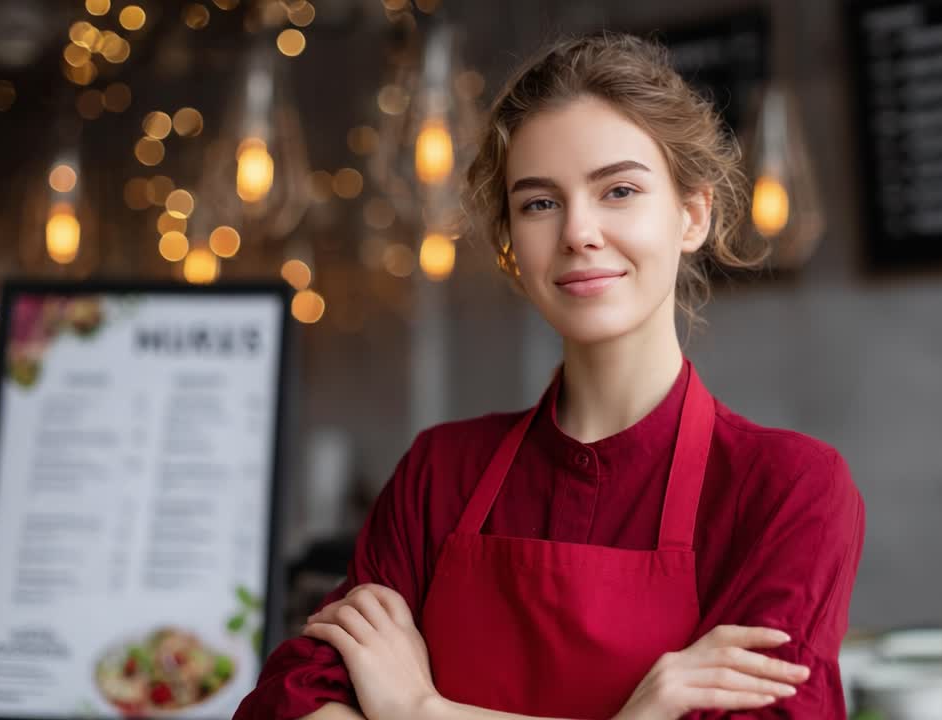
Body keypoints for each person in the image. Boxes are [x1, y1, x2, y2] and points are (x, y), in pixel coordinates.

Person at [234, 32, 864, 720]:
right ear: (511, 246)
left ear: (692, 215)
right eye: (539, 203)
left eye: (619, 190)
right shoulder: (439, 474)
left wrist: (419, 708)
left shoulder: (788, 490)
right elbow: (288, 705)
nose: (578, 232)